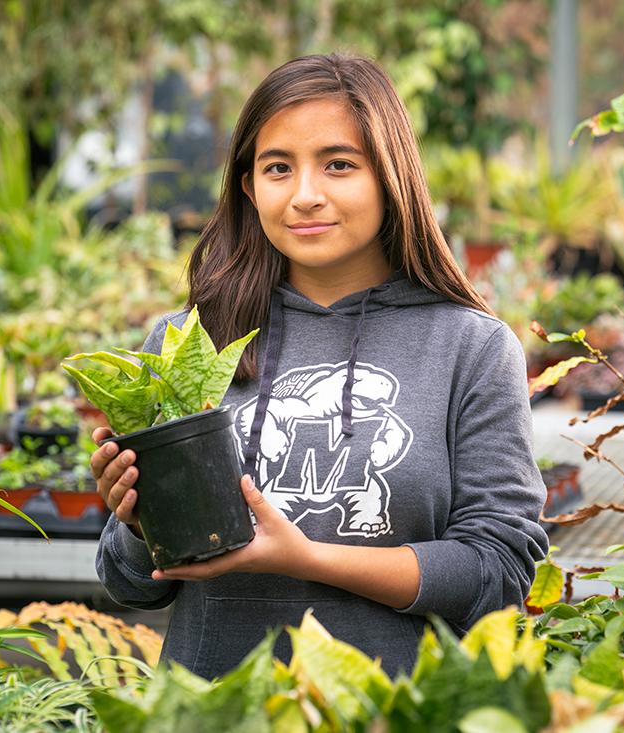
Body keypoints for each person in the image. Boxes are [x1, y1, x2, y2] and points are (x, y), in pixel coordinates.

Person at [90, 53, 549, 680]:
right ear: (249, 187)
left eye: (339, 165)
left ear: (390, 175)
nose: (306, 196)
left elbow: (497, 573)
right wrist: (139, 522)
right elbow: (129, 585)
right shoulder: (187, 342)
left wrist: (306, 558)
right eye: (278, 168)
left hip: (394, 713)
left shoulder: (470, 347)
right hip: (215, 711)